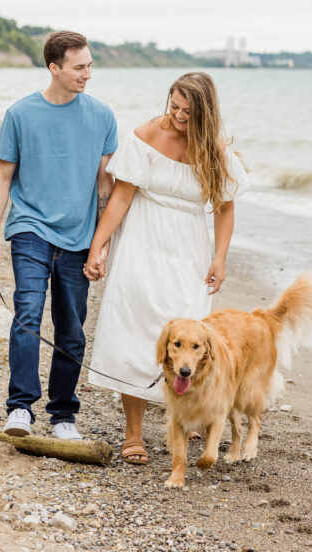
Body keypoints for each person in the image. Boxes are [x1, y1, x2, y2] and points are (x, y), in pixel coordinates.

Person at [83, 71, 248, 464]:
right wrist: (98, 245)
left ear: (204, 114)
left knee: (187, 339)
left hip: (187, 250)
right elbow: (122, 198)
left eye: (187, 112)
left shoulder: (214, 150)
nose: (177, 116)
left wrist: (220, 257)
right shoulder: (144, 136)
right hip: (140, 243)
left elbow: (224, 208)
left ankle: (185, 416)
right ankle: (134, 434)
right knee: (135, 332)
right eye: (173, 106)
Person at [0, 30, 117, 440]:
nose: (88, 74)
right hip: (30, 228)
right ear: (54, 68)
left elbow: (104, 186)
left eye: (90, 65)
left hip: (78, 238)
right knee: (27, 314)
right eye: (79, 67)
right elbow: (2, 175)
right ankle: (20, 407)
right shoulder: (21, 114)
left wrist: (101, 243)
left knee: (72, 329)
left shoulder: (102, 116)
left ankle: (63, 415)